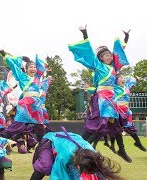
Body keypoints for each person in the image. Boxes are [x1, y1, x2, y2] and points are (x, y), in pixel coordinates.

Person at [68, 25, 131, 162]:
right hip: (101, 99)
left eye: (110, 55)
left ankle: (121, 148)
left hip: (111, 99)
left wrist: (126, 37)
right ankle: (79, 147)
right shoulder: (98, 65)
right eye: (106, 55)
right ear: (101, 58)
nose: (109, 56)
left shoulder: (114, 67)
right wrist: (85, 34)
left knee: (116, 125)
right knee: (95, 126)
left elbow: (120, 51)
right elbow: (89, 52)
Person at [30, 127, 122, 180]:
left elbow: (99, 173)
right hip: (51, 141)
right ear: (78, 164)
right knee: (45, 167)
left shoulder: (92, 155)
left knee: (73, 173)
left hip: (72, 143)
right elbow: (57, 176)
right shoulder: (65, 155)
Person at [0, 50, 48, 143]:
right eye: (30, 67)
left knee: (40, 128)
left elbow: (43, 88)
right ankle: (0, 144)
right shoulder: (22, 76)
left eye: (34, 67)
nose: (33, 68)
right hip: (25, 105)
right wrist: (4, 54)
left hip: (36, 106)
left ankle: (42, 148)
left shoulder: (38, 78)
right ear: (26, 69)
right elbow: (13, 66)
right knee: (16, 125)